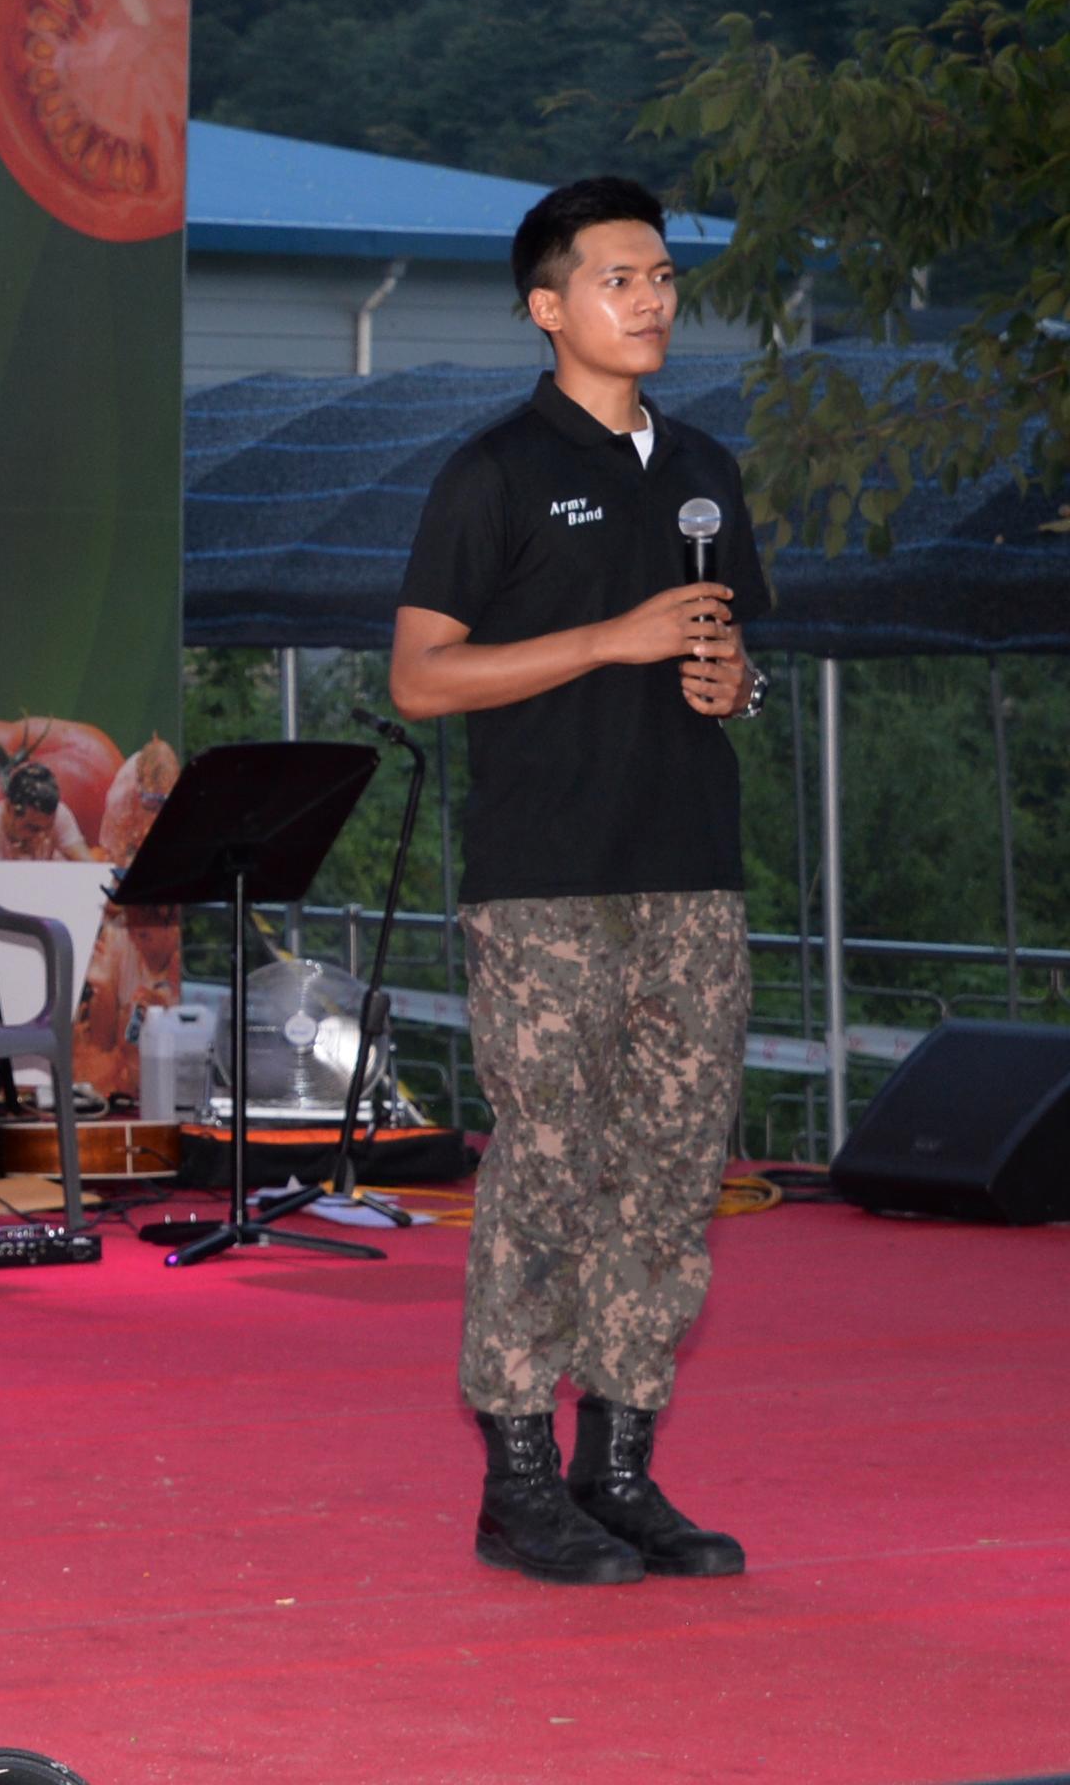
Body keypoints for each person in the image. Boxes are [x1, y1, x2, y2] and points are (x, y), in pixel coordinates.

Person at [389, 175, 769, 1589]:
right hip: (544, 884)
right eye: (621, 278)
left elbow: (727, 654)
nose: (654, 298)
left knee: (670, 1180)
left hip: (692, 878)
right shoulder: (489, 472)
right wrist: (610, 639)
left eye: (664, 275)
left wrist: (734, 684)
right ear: (548, 307)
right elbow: (419, 676)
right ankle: (519, 1482)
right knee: (549, 1175)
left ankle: (621, 1469)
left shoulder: (707, 473)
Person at [0, 758, 101, 864]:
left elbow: (87, 865)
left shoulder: (59, 814)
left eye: (48, 828)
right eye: (32, 828)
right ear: (9, 809)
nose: (42, 837)